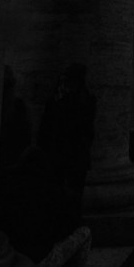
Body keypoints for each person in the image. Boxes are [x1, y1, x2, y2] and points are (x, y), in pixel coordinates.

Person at [37, 63, 96, 227]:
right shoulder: (84, 100)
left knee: (69, 193)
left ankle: (67, 223)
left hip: (67, 155)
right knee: (69, 193)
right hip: (70, 155)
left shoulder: (73, 101)